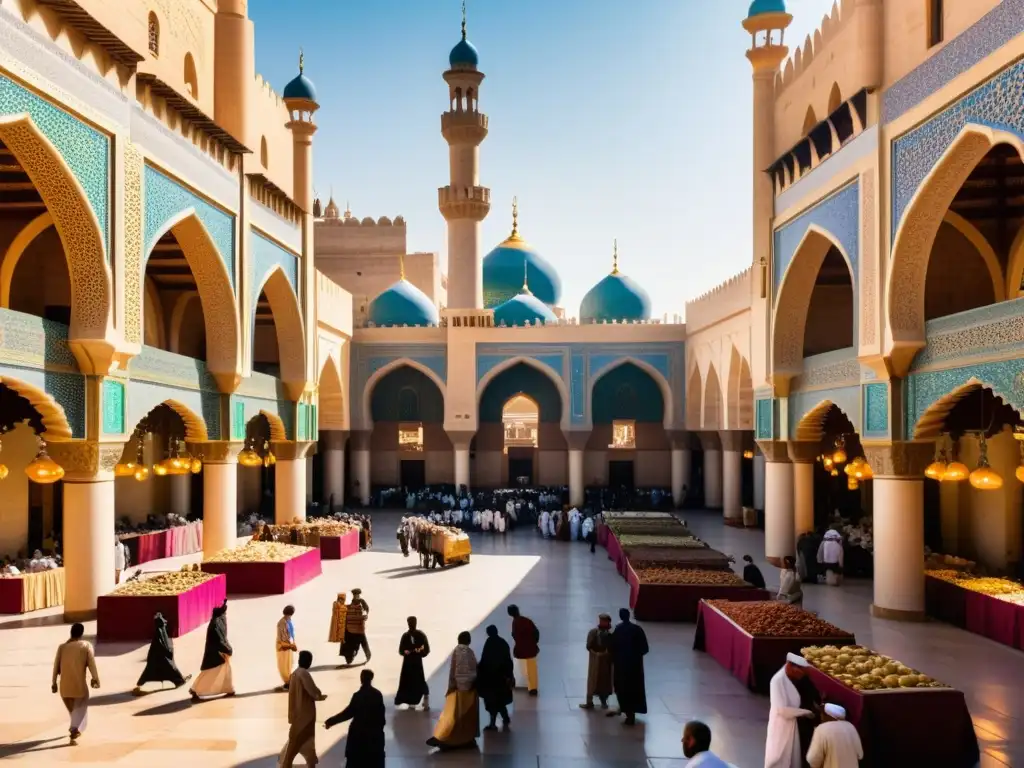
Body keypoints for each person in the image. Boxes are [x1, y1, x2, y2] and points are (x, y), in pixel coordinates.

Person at [765, 653, 821, 768]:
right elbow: (782, 710)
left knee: (792, 755)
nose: (801, 675)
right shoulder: (777, 681)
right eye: (799, 672)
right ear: (790, 666)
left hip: (793, 723)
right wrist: (805, 712)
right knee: (779, 755)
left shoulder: (794, 678)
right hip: (782, 724)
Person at [426, 631, 479, 750]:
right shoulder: (470, 652)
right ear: (468, 640)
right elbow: (475, 668)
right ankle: (467, 738)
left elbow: (453, 670)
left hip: (457, 689)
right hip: (470, 689)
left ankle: (445, 737)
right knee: (467, 716)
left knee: (451, 714)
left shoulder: (457, 651)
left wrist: (451, 686)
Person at [325, 668, 386, 767]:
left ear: (361, 679)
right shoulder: (377, 695)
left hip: (358, 735)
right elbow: (381, 716)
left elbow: (348, 713)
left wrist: (331, 721)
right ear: (371, 679)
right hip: (374, 737)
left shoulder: (358, 696)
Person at [51, 623, 100, 743]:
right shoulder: (86, 646)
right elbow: (92, 664)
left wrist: (54, 683)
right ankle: (74, 730)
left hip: (64, 688)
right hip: (79, 687)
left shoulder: (62, 647)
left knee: (73, 710)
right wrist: (95, 679)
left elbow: (56, 666)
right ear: (81, 634)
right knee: (80, 707)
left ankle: (75, 728)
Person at [279, 651, 327, 768]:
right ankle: (289, 764)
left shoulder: (295, 674)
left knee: (300, 741)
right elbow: (313, 691)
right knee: (298, 741)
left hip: (297, 714)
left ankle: (308, 763)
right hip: (305, 715)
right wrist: (320, 696)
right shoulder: (304, 674)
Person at [608, 608, 648, 725]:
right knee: (634, 689)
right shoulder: (637, 629)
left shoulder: (618, 630)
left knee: (623, 688)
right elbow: (644, 648)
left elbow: (612, 647)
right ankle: (633, 712)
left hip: (621, 666)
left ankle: (627, 711)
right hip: (635, 666)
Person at [190, 601, 235, 701]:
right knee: (209, 673)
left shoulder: (217, 622)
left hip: (218, 653)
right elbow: (219, 640)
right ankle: (195, 689)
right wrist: (228, 649)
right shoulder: (216, 625)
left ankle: (229, 689)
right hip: (216, 654)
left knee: (222, 671)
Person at [135, 612, 189, 692]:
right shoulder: (160, 630)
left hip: (158, 657)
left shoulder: (159, 630)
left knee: (151, 671)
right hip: (162, 657)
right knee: (171, 669)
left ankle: (140, 684)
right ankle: (179, 681)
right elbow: (163, 645)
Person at [476, 624, 513, 730]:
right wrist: (509, 675)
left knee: (492, 701)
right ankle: (505, 717)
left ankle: (493, 724)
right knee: (500, 699)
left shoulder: (489, 643)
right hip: (501, 678)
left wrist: (478, 670)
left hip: (490, 678)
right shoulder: (503, 643)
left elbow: (484, 660)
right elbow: (508, 661)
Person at [806, 703, 862, 768]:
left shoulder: (821, 729)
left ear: (829, 715)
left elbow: (813, 758)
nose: (821, 716)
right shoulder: (851, 727)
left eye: (823, 714)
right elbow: (860, 754)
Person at [394, 616, 430, 710]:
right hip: (411, 663)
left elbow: (425, 648)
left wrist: (418, 652)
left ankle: (416, 701)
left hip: (412, 663)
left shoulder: (409, 635)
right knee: (416, 681)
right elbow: (401, 650)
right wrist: (407, 652)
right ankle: (414, 701)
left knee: (415, 681)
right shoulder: (414, 635)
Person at [580, 613, 613, 710]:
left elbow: (612, 647)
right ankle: (589, 701)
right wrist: (596, 653)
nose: (602, 622)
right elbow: (589, 646)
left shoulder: (610, 634)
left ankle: (604, 700)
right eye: (601, 620)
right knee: (592, 680)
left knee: (604, 681)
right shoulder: (593, 632)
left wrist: (606, 653)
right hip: (595, 660)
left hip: (606, 661)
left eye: (604, 621)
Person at [507, 604, 539, 695]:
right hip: (531, 649)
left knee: (521, 666)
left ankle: (521, 682)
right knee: (532, 668)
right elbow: (536, 632)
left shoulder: (515, 623)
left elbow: (515, 635)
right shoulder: (527, 620)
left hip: (520, 650)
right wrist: (534, 643)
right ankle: (533, 688)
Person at [342, 589, 371, 664]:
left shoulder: (361, 602)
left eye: (357, 595)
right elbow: (366, 612)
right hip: (357, 627)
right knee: (362, 641)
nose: (356, 596)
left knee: (355, 642)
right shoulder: (359, 602)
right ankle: (366, 655)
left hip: (352, 627)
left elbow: (366, 611)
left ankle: (351, 657)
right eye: (355, 595)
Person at [276, 605, 298, 690]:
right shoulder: (282, 623)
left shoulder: (288, 620)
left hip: (289, 644)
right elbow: (282, 637)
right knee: (284, 664)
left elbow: (291, 633)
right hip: (284, 645)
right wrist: (291, 645)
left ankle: (289, 681)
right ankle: (288, 681)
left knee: (289, 663)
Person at [329, 592, 347, 660]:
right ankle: (337, 638)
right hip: (337, 621)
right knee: (338, 630)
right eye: (342, 599)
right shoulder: (336, 604)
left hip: (341, 621)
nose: (343, 601)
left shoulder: (342, 605)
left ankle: (341, 638)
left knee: (342, 631)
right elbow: (340, 608)